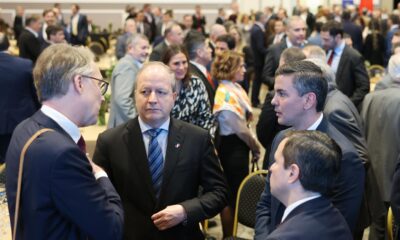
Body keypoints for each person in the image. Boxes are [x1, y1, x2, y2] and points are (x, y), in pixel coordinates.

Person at [93, 62, 227, 239]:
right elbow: (97, 198)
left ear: (173, 97)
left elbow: (219, 192)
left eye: (161, 92)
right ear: (135, 95)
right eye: (145, 91)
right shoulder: (110, 141)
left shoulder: (197, 139)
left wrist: (185, 211)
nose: (152, 99)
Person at [5, 44, 124, 239]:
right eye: (99, 84)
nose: (102, 97)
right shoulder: (62, 153)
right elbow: (112, 228)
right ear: (79, 83)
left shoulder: (25, 128)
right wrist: (101, 175)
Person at [254, 61, 365, 239]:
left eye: (282, 94)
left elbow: (335, 229)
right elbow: (267, 202)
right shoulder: (281, 139)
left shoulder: (345, 156)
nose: (273, 101)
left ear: (308, 100)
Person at [266, 130, 352, 240]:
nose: (271, 168)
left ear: (292, 173)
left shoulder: (283, 237)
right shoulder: (336, 219)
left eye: (276, 162)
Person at [212, 51, 260, 238]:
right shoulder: (225, 95)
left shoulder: (234, 87)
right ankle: (228, 236)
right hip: (232, 149)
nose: (244, 69)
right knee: (231, 197)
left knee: (234, 195)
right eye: (240, 66)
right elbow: (240, 129)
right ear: (231, 69)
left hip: (238, 146)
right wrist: (255, 146)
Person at [361, 53, 400, 240]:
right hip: (395, 178)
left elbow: (362, 132)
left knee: (377, 226)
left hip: (373, 174)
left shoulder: (370, 98)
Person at [257, 47, 306, 169]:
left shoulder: (272, 96)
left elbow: (263, 131)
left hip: (275, 155)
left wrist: (273, 144)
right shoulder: (306, 93)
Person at [0, 33, 40, 163]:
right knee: (20, 163)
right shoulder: (24, 65)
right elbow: (35, 93)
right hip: (20, 122)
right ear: (8, 45)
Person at [161, 44, 214, 131]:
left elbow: (206, 117)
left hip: (195, 138)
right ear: (166, 65)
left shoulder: (196, 83)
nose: (181, 67)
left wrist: (205, 141)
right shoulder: (158, 87)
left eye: (184, 62)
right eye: (176, 64)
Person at [321, 20, 369, 108]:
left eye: (326, 39)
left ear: (338, 37)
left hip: (342, 107)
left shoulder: (353, 56)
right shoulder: (327, 51)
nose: (323, 43)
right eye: (322, 39)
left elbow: (364, 86)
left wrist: (347, 104)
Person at [108, 33, 150, 128]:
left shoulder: (132, 64)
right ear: (130, 48)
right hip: (123, 126)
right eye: (143, 48)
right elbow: (122, 99)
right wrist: (138, 120)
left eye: (148, 48)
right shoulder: (127, 66)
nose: (147, 51)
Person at [262, 16, 307, 90]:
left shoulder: (310, 47)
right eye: (297, 30)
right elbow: (266, 77)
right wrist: (285, 84)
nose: (302, 33)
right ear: (287, 31)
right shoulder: (274, 49)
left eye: (304, 29)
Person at [186, 35, 215, 106]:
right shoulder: (192, 76)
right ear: (199, 53)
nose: (211, 50)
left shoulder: (204, 70)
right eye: (208, 47)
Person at [250, 11, 268, 107]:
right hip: (259, 60)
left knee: (257, 81)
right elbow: (260, 47)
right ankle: (255, 101)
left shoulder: (256, 28)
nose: (266, 19)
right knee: (257, 81)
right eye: (265, 17)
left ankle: (255, 100)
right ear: (261, 18)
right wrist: (270, 52)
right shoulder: (257, 29)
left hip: (257, 59)